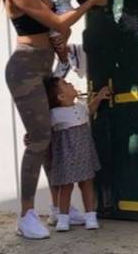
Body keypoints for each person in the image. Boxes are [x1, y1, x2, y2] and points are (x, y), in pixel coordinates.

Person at [3, 0, 111, 239]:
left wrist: (57, 45)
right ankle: (26, 215)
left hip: (43, 65)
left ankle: (58, 209)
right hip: (24, 69)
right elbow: (58, 20)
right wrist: (90, 4)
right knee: (38, 140)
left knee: (52, 137)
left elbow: (51, 28)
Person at [44, 77, 111, 231]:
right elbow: (44, 130)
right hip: (66, 155)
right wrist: (31, 137)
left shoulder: (80, 107)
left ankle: (90, 216)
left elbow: (90, 110)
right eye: (65, 84)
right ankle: (63, 219)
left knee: (87, 184)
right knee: (65, 187)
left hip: (84, 152)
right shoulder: (54, 114)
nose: (71, 84)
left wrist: (99, 98)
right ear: (61, 97)